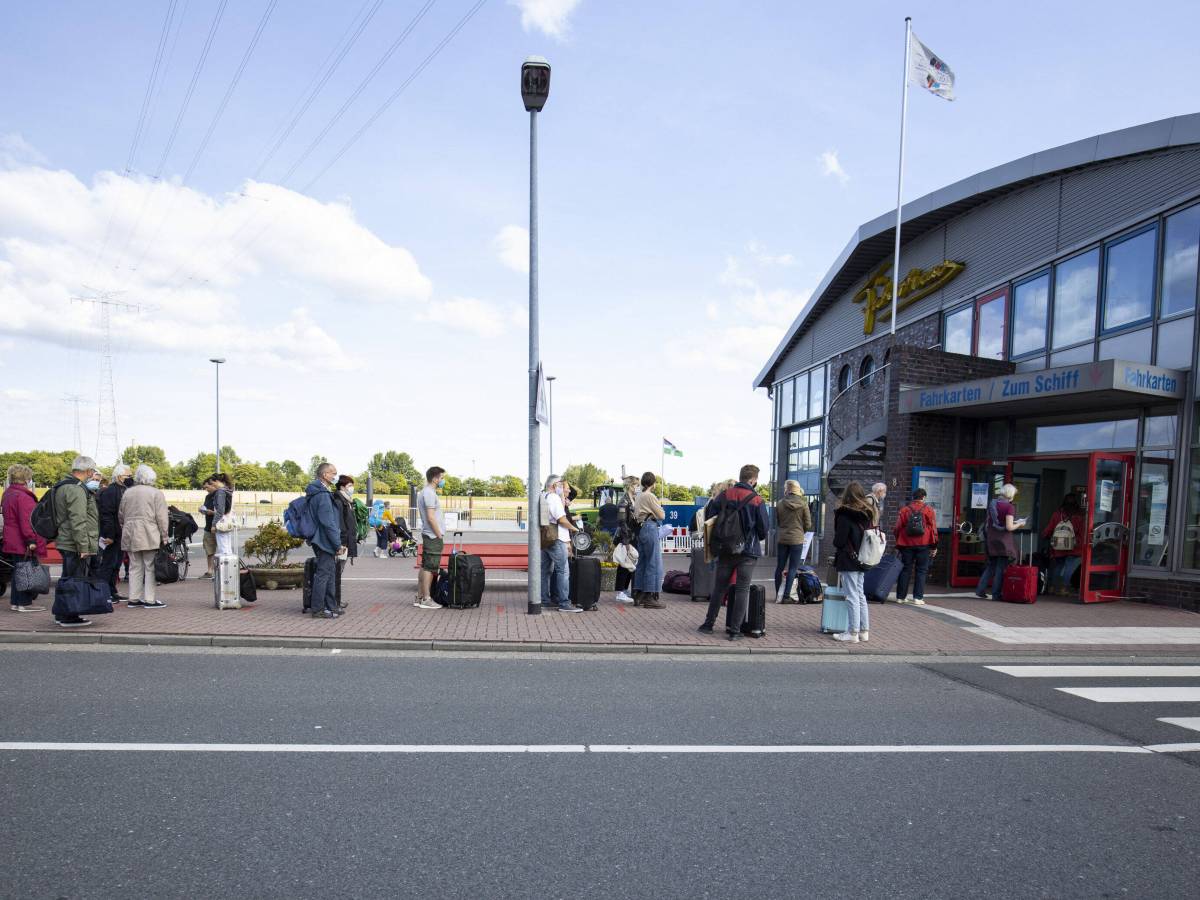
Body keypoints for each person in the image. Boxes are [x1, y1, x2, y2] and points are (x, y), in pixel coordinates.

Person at [699, 465, 769, 639]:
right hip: (748, 551)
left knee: (719, 588)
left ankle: (708, 624)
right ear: (753, 480)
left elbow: (710, 517)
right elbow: (763, 529)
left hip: (725, 549)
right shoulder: (757, 500)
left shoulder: (725, 495)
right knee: (742, 589)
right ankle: (734, 631)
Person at [51, 455, 101, 627]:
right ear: (87, 471)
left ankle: (61, 613)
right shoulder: (76, 489)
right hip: (74, 543)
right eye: (92, 471)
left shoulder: (63, 485)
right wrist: (83, 546)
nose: (93, 475)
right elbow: (78, 520)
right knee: (74, 580)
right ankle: (69, 615)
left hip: (66, 539)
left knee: (67, 579)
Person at [831, 481, 878, 643]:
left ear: (847, 495)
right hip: (863, 557)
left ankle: (852, 633)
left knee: (851, 596)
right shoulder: (868, 513)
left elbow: (839, 541)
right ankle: (864, 631)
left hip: (848, 558)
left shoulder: (844, 514)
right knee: (860, 595)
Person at [118, 464, 170, 609]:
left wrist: (125, 526)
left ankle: (133, 598)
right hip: (149, 532)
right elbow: (162, 517)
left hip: (130, 532)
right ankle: (150, 599)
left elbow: (121, 514)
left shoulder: (128, 492)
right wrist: (164, 535)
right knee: (150, 566)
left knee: (134, 566)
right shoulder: (156, 493)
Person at [2, 464, 47, 613]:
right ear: (26, 478)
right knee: (26, 571)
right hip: (22, 540)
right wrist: (31, 540)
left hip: (12, 539)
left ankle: (16, 602)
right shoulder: (23, 496)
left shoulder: (8, 493)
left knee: (19, 570)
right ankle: (24, 603)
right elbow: (27, 520)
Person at [305, 462, 345, 619]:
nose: (335, 476)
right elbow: (328, 523)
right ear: (324, 475)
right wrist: (337, 544)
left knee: (328, 573)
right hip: (324, 541)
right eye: (333, 473)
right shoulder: (322, 495)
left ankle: (331, 605)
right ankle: (319, 609)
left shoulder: (315, 492)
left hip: (318, 539)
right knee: (324, 574)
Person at [975, 483, 1026, 601]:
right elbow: (1008, 527)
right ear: (1011, 496)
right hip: (1003, 541)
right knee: (1000, 568)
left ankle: (980, 590)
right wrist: (1019, 524)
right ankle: (996, 594)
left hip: (991, 539)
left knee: (991, 565)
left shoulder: (993, 504)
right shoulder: (1009, 507)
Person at [541, 474, 583, 612]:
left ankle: (544, 600)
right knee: (563, 571)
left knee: (545, 571)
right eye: (560, 484)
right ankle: (564, 603)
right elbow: (561, 519)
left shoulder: (543, 496)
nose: (564, 487)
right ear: (554, 486)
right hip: (556, 538)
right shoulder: (553, 498)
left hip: (544, 538)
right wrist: (574, 528)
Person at [893, 487, 939, 605]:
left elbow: (897, 528)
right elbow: (933, 529)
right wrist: (934, 546)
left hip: (906, 544)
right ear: (923, 497)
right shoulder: (929, 510)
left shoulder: (904, 510)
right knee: (921, 570)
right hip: (924, 544)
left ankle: (900, 597)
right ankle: (918, 597)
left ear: (913, 497)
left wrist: (898, 540)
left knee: (905, 569)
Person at [94, 463, 132, 603]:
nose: (130, 478)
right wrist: (109, 535)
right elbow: (107, 514)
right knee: (108, 563)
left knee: (116, 563)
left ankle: (112, 590)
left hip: (120, 533)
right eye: (128, 475)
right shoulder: (111, 491)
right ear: (120, 476)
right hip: (112, 534)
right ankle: (104, 592)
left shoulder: (124, 490)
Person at [631, 471, 667, 609]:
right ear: (653, 483)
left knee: (642, 562)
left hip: (641, 528)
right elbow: (662, 515)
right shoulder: (650, 496)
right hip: (650, 527)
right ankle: (649, 596)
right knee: (653, 562)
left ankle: (638, 593)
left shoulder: (639, 496)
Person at [774, 479, 813, 602]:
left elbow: (778, 521)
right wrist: (801, 531)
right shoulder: (803, 503)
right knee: (792, 568)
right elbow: (808, 523)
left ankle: (778, 594)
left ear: (787, 489)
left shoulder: (780, 503)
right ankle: (786, 596)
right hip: (797, 539)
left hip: (783, 538)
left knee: (779, 567)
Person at [415, 467, 447, 609]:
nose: (442, 480)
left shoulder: (425, 492)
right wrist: (439, 534)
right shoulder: (429, 493)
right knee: (430, 567)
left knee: (425, 566)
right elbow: (430, 517)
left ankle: (420, 596)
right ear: (435, 478)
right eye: (441, 477)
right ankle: (426, 598)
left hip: (429, 534)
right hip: (433, 535)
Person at [1042, 492, 1084, 597]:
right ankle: (1064, 588)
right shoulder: (1079, 516)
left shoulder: (1057, 514)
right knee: (1069, 567)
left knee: (1058, 566)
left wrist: (1045, 535)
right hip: (1074, 546)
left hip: (1058, 545)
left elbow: (1049, 528)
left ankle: (1052, 587)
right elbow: (1082, 532)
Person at [331, 474, 358, 613]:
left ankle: (336, 600)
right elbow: (340, 523)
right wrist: (341, 543)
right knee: (336, 572)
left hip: (346, 540)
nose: (351, 488)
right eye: (349, 486)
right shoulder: (339, 500)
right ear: (342, 487)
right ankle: (334, 601)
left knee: (338, 572)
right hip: (342, 542)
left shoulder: (347, 500)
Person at [612, 476, 640, 604]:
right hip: (625, 537)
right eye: (636, 485)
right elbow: (622, 522)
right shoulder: (624, 501)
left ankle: (624, 589)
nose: (638, 488)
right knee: (623, 564)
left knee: (630, 563)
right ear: (630, 486)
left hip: (632, 536)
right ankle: (620, 592)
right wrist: (626, 541)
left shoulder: (633, 500)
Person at [211, 473, 235, 558]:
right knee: (228, 547)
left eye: (212, 483)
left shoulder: (221, 491)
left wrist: (213, 524)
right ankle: (230, 570)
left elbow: (220, 510)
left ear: (217, 481)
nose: (212, 485)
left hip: (221, 522)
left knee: (223, 549)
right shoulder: (228, 490)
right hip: (228, 521)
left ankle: (225, 570)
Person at [198, 478, 218, 578]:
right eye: (204, 487)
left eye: (207, 487)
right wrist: (202, 510)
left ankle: (221, 571)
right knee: (209, 550)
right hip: (208, 527)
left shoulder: (220, 495)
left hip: (219, 527)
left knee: (223, 550)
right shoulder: (207, 497)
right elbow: (206, 508)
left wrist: (212, 512)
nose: (206, 489)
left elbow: (223, 513)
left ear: (213, 485)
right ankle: (210, 571)